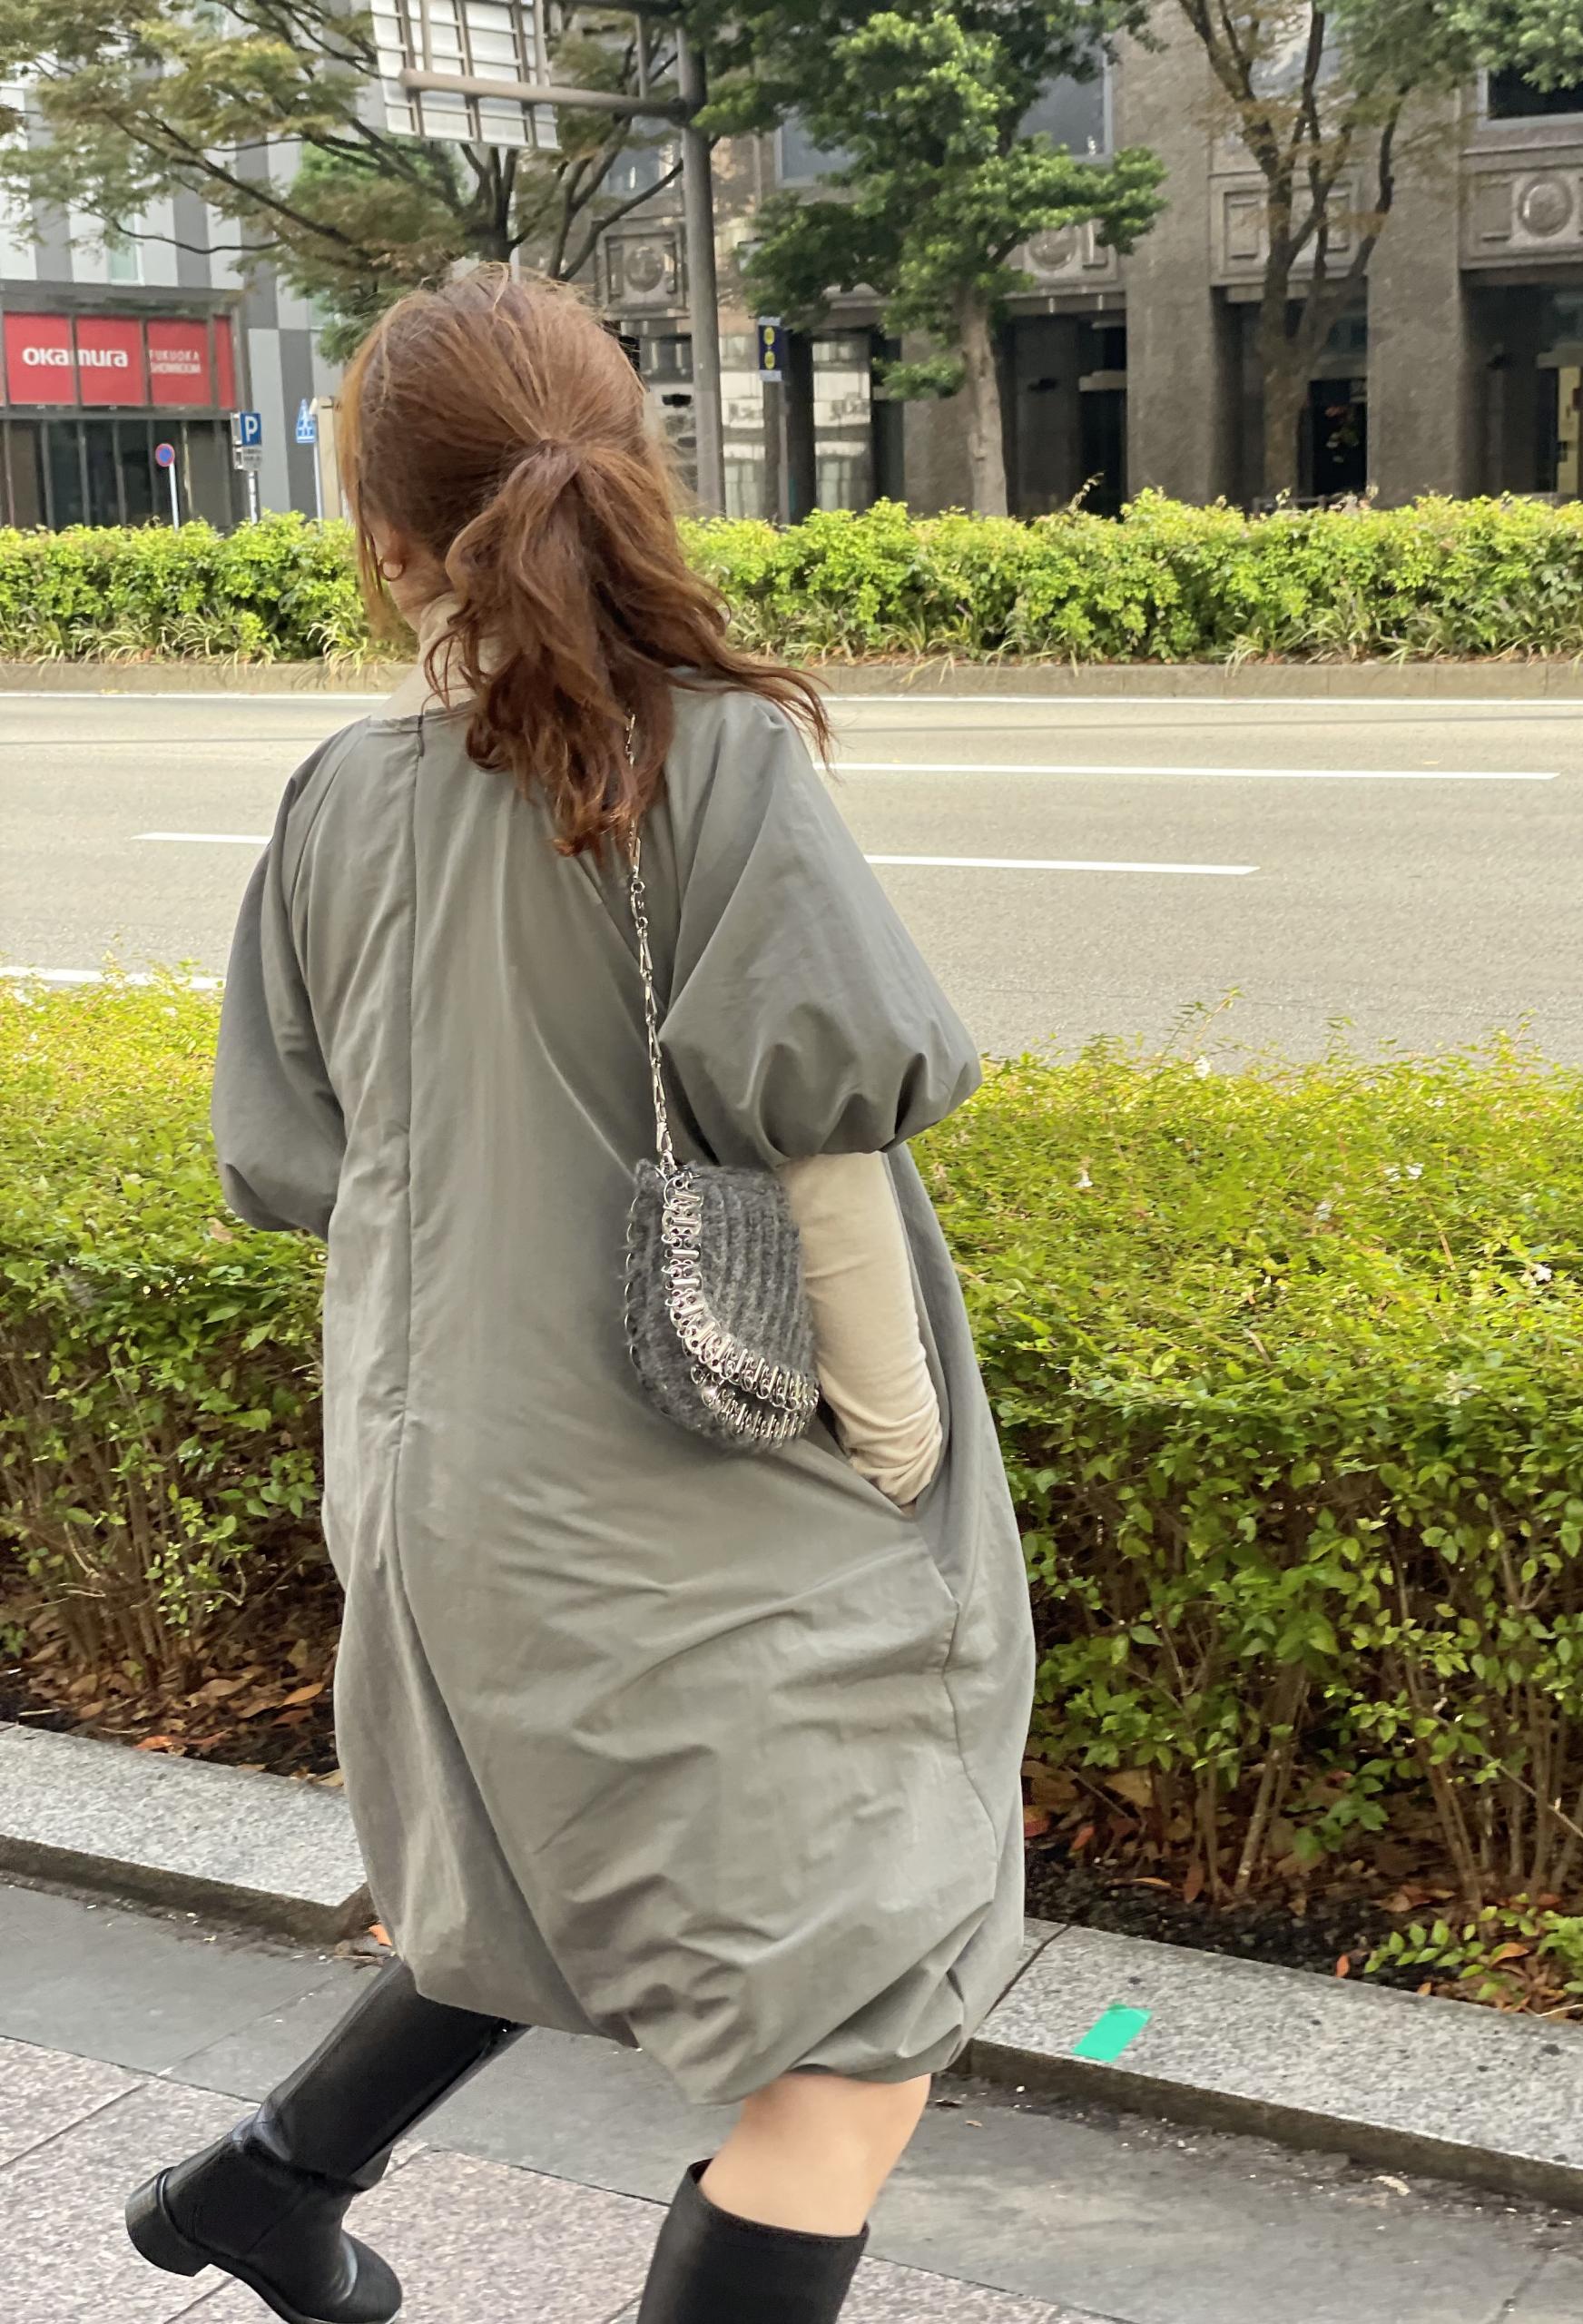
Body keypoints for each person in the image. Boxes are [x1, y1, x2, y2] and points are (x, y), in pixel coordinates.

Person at [121, 264, 1034, 2324]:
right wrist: (900, 1466)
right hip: (690, 1494)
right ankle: (272, 2180)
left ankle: (269, 2184)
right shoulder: (715, 760)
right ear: (638, 478)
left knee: (543, 1866)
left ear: (381, 536)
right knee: (858, 2032)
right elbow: (826, 1139)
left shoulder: (339, 796)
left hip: (434, 1490)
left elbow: (294, 1160)